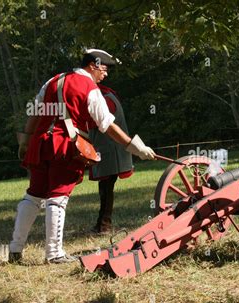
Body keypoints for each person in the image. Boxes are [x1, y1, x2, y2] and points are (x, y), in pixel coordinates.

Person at [10, 49, 156, 264]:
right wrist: (133, 146)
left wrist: (25, 142)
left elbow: (34, 114)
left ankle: (15, 250)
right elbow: (106, 125)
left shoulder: (54, 80)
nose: (105, 75)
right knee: (57, 197)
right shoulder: (89, 87)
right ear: (94, 65)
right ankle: (54, 254)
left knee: (33, 195)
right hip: (64, 146)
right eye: (104, 70)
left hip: (39, 144)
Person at [89, 84, 134, 233]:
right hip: (109, 149)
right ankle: (101, 223)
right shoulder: (107, 96)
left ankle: (105, 225)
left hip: (110, 150)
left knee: (107, 189)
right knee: (105, 188)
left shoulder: (105, 100)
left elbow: (98, 122)